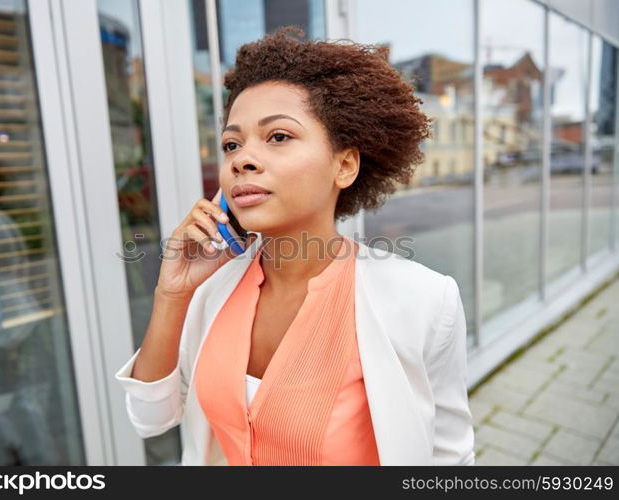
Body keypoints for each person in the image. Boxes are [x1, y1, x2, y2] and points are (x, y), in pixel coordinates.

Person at [115, 26, 475, 466]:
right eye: (232, 144)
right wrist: (172, 295)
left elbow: (450, 458)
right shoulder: (212, 289)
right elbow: (150, 419)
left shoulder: (423, 301)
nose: (241, 159)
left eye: (278, 136)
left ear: (344, 165)